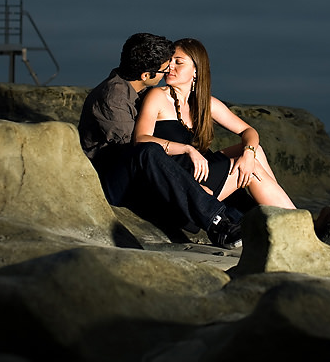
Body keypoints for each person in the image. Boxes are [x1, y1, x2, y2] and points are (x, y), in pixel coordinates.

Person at [77, 33, 243, 249]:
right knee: (149, 150)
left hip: (135, 173)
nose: (168, 72)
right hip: (112, 180)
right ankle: (216, 222)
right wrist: (187, 166)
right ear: (146, 74)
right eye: (165, 69)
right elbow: (138, 150)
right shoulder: (114, 98)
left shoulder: (138, 89)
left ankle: (240, 218)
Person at [134, 37, 296, 209]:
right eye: (169, 61)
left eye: (178, 62)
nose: (169, 67)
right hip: (181, 177)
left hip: (204, 168)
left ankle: (287, 215)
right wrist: (186, 149)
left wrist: (248, 153)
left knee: (254, 151)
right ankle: (295, 222)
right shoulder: (158, 96)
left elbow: (249, 131)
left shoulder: (205, 103)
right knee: (252, 167)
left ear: (196, 70)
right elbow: (141, 138)